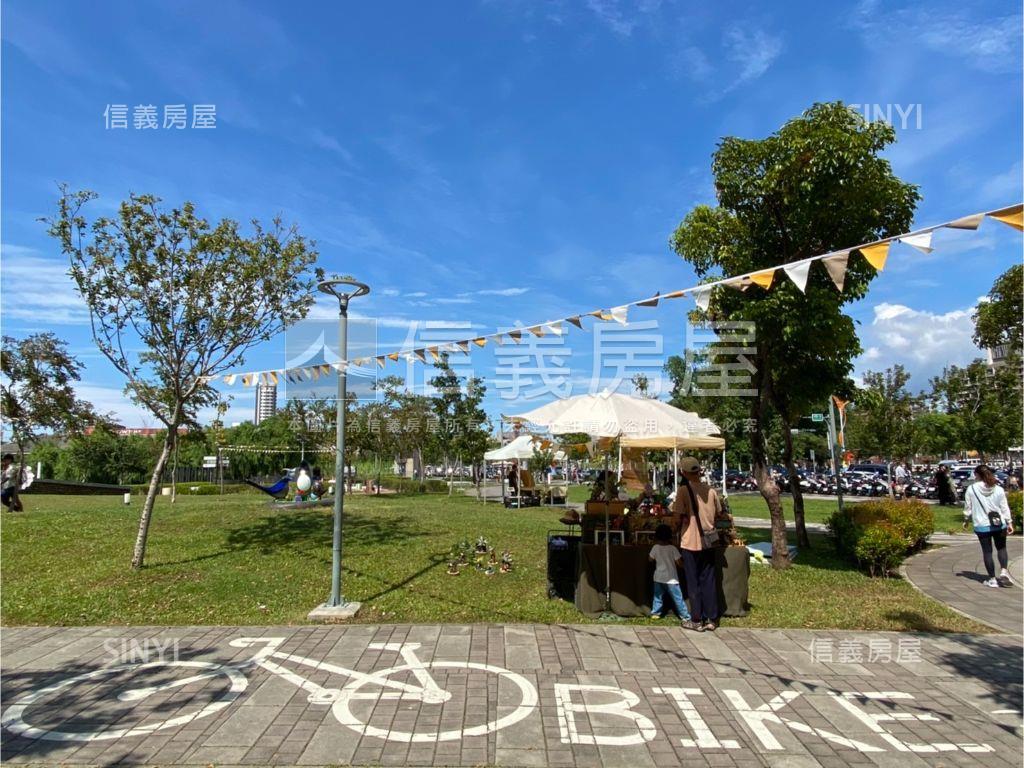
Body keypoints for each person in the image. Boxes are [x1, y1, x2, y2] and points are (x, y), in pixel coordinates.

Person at [671, 456, 723, 631]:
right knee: (709, 580)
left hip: (690, 542)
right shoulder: (711, 490)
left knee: (693, 582)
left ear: (683, 472)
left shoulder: (683, 491)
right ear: (699, 471)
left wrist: (676, 527)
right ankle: (712, 619)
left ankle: (696, 619)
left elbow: (677, 516)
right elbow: (719, 513)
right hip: (709, 541)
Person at [963, 465, 1015, 588]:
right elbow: (1004, 507)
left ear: (977, 475)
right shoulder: (998, 489)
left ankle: (992, 579)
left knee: (987, 552)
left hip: (981, 525)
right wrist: (1009, 522)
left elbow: (968, 507)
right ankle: (1003, 572)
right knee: (1001, 548)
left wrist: (966, 519)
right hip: (999, 524)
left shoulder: (971, 489)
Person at [648, 523, 700, 629]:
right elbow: (679, 563)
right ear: (670, 536)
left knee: (657, 597)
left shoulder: (655, 547)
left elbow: (650, 559)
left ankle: (655, 613)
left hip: (658, 577)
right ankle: (685, 616)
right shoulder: (673, 548)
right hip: (672, 579)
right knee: (678, 599)